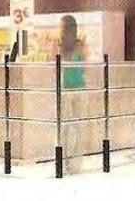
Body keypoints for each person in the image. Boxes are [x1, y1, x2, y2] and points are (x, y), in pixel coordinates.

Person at [59, 15, 86, 175]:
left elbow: (55, 64)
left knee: (67, 127)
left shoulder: (61, 46)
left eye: (62, 26)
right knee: (75, 128)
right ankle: (73, 163)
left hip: (68, 88)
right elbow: (83, 67)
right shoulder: (79, 45)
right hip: (78, 88)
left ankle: (66, 162)